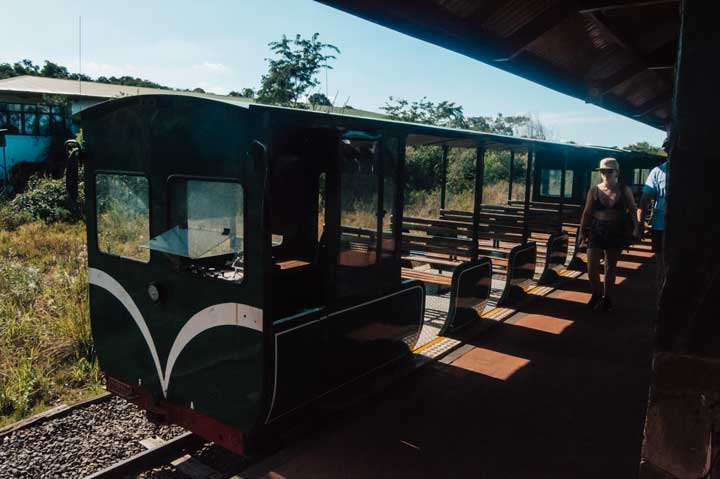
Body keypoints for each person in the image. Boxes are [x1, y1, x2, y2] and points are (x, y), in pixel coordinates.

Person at [578, 157, 640, 312]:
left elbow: (633, 209)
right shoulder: (594, 190)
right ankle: (596, 293)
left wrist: (638, 228)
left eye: (609, 171)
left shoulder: (624, 189)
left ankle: (608, 298)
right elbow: (587, 212)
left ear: (616, 172)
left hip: (616, 230)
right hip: (597, 229)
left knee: (610, 267)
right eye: (602, 171)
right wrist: (581, 232)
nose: (605, 173)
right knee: (591, 267)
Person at [637, 138, 669, 289]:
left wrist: (640, 225)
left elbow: (644, 201)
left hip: (670, 226)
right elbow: (643, 201)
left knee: (664, 265)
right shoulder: (658, 172)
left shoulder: (658, 172)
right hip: (662, 226)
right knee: (662, 266)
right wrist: (640, 224)